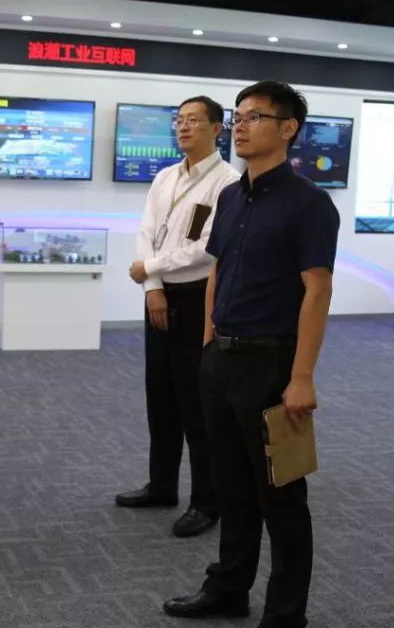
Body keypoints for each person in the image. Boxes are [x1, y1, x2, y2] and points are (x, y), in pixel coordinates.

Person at [163, 81, 339, 628]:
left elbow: (317, 291)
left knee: (280, 495)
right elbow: (217, 269)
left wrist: (302, 377)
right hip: (222, 361)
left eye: (254, 116)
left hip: (272, 366)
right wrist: (208, 342)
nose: (240, 126)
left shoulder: (309, 203)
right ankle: (228, 589)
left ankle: (286, 614)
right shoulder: (231, 195)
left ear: (287, 129)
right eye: (237, 116)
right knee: (232, 488)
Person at [117, 96, 240, 539]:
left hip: (196, 299)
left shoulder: (228, 183)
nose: (184, 127)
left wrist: (149, 269)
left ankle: (206, 501)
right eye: (179, 120)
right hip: (158, 295)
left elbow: (207, 249)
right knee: (161, 397)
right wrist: (152, 286)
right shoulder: (165, 176)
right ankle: (161, 485)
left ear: (217, 129)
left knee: (197, 403)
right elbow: (146, 233)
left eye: (194, 121)